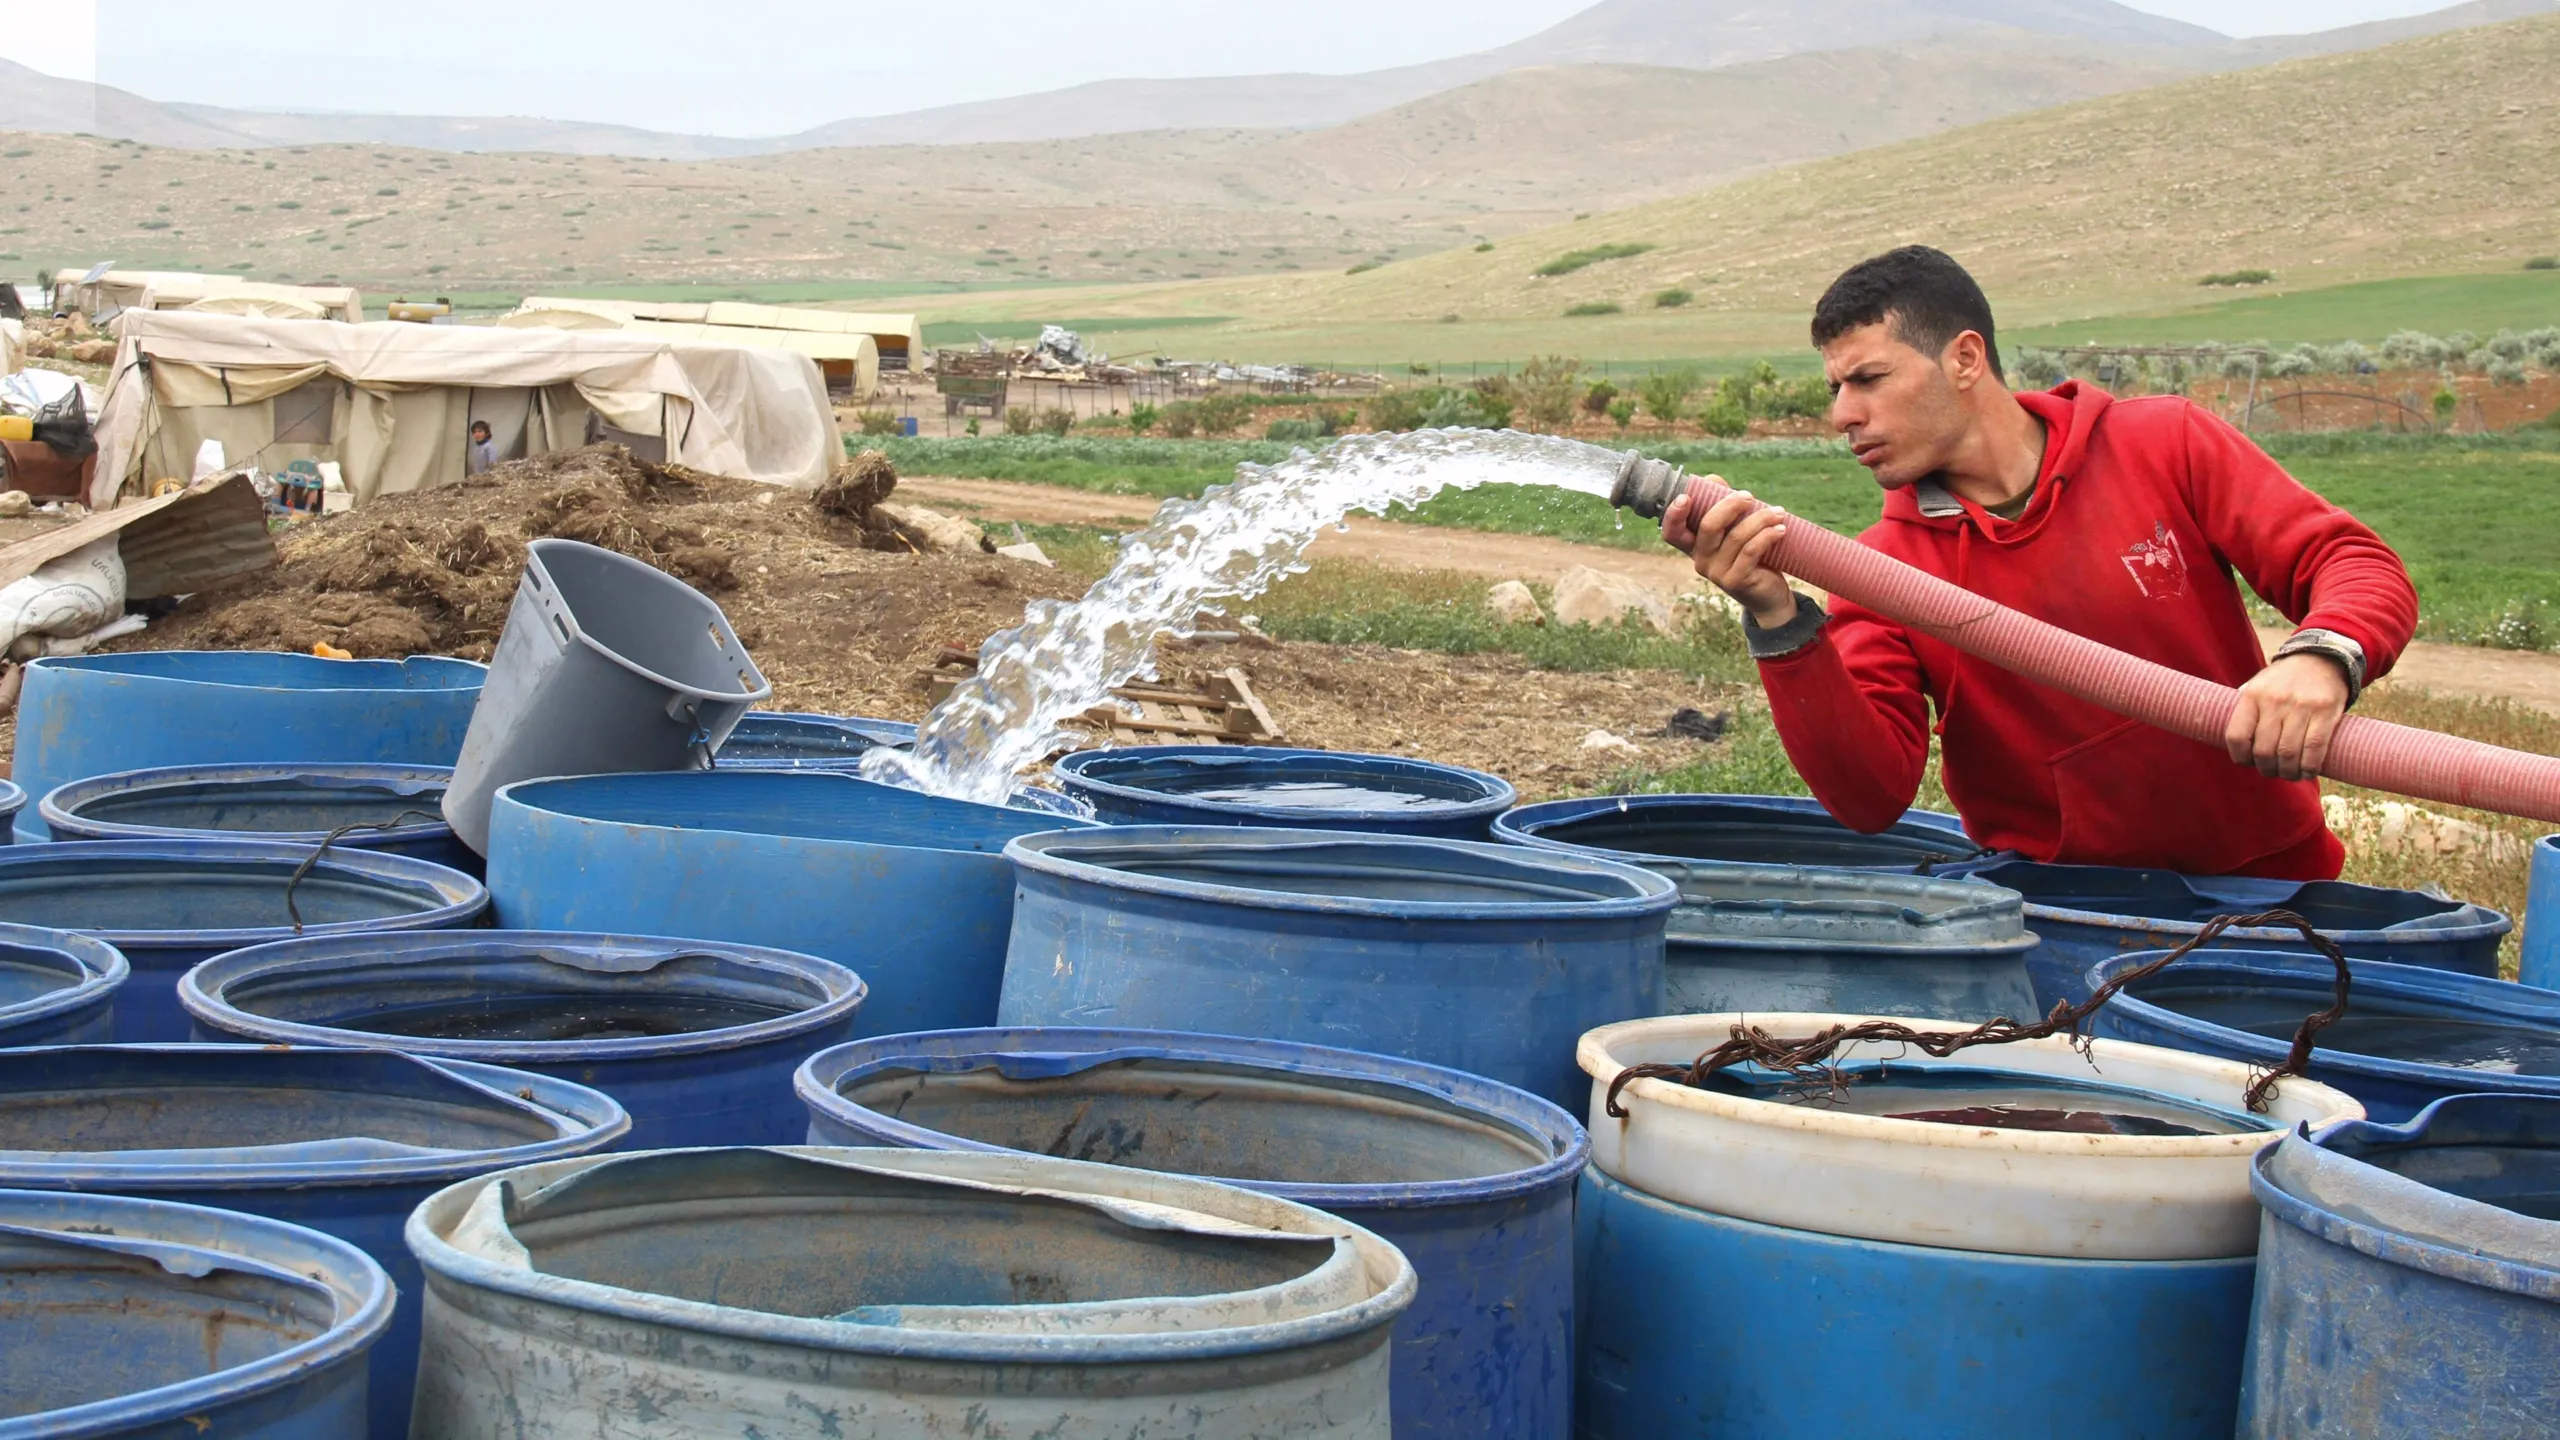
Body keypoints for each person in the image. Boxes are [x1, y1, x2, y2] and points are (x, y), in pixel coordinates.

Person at [1665, 246, 2416, 879]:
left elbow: (2349, 560)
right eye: (1835, 388)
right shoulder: (1883, 570)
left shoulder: (2163, 446)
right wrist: (1775, 614)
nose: (1842, 415)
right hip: (2062, 920)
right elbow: (1870, 798)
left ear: (1964, 359)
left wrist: (2321, 659)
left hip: (2275, 891)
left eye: (1868, 380)